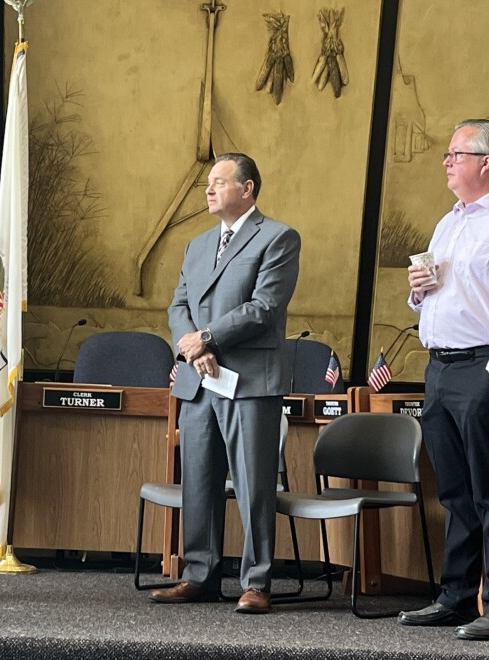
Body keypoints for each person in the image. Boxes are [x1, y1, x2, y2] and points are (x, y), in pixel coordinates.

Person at [397, 119, 489, 640]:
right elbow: (438, 295)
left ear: (486, 162)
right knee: (455, 493)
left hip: (486, 369)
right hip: (439, 368)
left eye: (455, 153)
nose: (446, 161)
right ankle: (457, 598)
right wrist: (418, 291)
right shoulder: (449, 223)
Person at [151, 153, 300, 614]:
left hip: (250, 382)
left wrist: (208, 337)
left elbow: (264, 308)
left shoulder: (278, 238)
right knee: (199, 479)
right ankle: (200, 575)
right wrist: (193, 346)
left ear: (248, 188)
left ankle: (256, 582)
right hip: (200, 380)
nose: (209, 190)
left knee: (254, 484)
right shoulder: (196, 245)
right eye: (207, 183)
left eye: (219, 182)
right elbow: (179, 306)